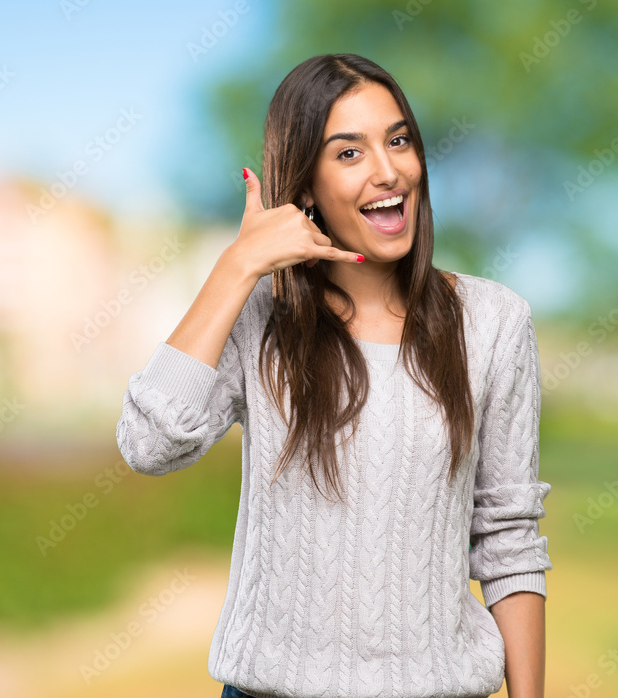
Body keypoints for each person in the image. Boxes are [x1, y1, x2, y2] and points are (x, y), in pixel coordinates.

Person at [116, 53, 552, 698]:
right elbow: (148, 445)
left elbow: (508, 538)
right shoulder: (261, 318)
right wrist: (237, 268)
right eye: (349, 154)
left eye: (398, 140)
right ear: (306, 186)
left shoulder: (492, 323)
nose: (388, 171)